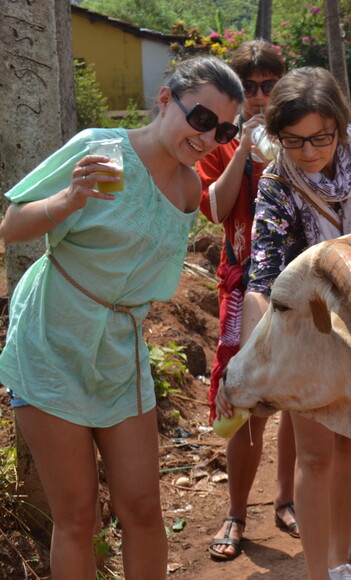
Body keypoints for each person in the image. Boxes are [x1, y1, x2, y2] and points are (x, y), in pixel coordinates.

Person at [0, 56, 243, 579]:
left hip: (119, 351)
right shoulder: (99, 149)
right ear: (165, 100)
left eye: (223, 129)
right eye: (201, 119)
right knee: (77, 517)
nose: (208, 137)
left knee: (142, 509)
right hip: (52, 338)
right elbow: (12, 224)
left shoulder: (188, 190)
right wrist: (67, 201)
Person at [215, 66, 351, 580]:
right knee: (315, 452)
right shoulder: (277, 183)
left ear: (342, 127)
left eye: (320, 138)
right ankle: (316, 571)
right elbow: (262, 279)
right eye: (293, 141)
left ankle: (341, 563)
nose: (308, 152)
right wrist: (262, 359)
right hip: (306, 329)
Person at [196, 39, 298, 562]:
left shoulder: (301, 131)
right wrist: (240, 149)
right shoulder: (220, 141)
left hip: (300, 279)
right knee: (248, 399)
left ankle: (287, 499)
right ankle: (236, 512)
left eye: (268, 83)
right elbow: (213, 209)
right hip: (243, 285)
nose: (260, 95)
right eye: (250, 86)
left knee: (302, 395)